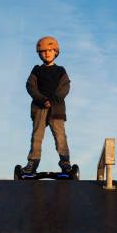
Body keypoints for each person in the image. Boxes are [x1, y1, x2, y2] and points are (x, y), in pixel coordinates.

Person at [22, 36, 73, 174]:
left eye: (50, 50)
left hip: (56, 108)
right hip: (40, 107)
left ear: (56, 52)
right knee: (37, 136)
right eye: (43, 51)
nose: (47, 53)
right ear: (39, 54)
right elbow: (30, 86)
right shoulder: (37, 70)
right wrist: (41, 99)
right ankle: (32, 162)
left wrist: (54, 99)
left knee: (60, 136)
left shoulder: (60, 70)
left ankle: (65, 162)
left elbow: (65, 87)